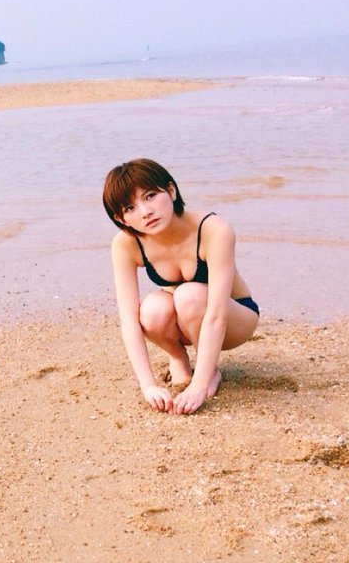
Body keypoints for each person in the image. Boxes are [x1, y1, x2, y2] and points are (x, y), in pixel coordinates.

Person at [103, 159, 259, 414]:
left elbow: (217, 315)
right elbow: (129, 321)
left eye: (150, 196)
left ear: (171, 191)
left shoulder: (213, 230)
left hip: (234, 317)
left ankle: (209, 370)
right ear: (122, 219)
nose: (145, 211)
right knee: (151, 309)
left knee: (189, 295)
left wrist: (198, 386)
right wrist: (148, 386)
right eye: (130, 208)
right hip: (183, 318)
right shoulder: (125, 244)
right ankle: (177, 357)